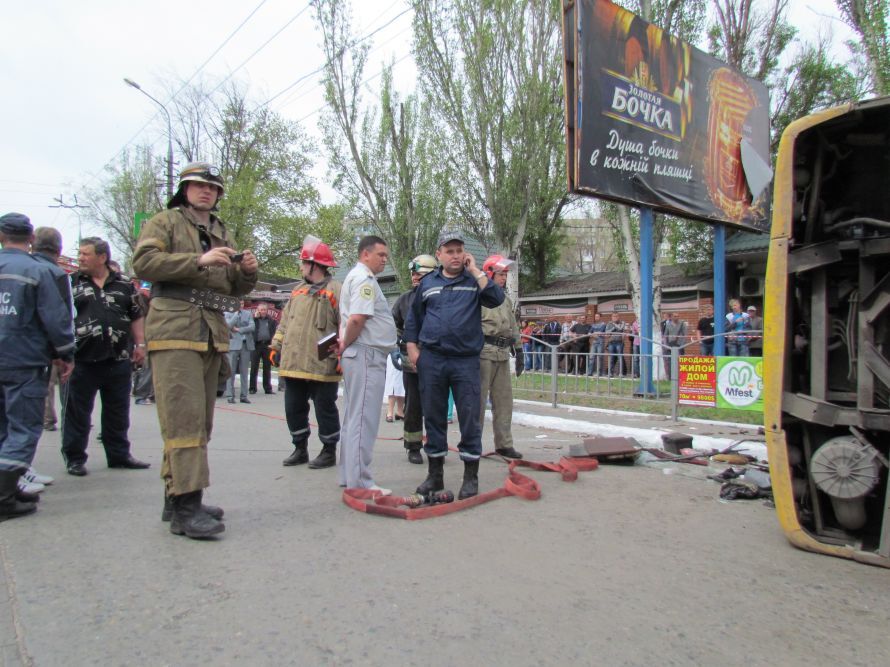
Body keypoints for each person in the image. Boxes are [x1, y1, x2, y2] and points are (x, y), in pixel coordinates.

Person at [132, 161, 258, 539]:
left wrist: (247, 271)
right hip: (174, 327)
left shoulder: (221, 231)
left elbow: (234, 290)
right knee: (183, 419)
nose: (207, 191)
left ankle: (177, 498)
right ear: (184, 189)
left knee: (198, 422)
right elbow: (143, 262)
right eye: (199, 185)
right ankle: (187, 506)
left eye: (213, 187)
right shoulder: (165, 222)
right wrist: (197, 260)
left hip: (210, 329)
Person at [404, 229, 505, 500]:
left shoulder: (473, 281)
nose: (456, 255)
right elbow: (414, 319)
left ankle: (470, 477)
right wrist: (413, 349)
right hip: (433, 360)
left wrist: (477, 271)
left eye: (459, 250)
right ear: (439, 255)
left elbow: (497, 299)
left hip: (465, 361)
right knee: (434, 418)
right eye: (450, 251)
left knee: (470, 419)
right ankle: (434, 476)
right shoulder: (427, 284)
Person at [0, 213, 75, 521]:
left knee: (2, 427)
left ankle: (9, 488)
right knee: (23, 427)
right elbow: (55, 319)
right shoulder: (37, 271)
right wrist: (65, 353)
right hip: (25, 360)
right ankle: (4, 495)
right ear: (30, 239)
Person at [62, 236, 150, 477]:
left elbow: (136, 314)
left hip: (118, 358)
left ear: (102, 257)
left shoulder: (123, 284)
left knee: (117, 411)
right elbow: (60, 318)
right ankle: (75, 458)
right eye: (79, 254)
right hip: (81, 359)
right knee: (77, 412)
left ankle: (119, 455)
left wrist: (140, 344)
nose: (80, 258)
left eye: (85, 254)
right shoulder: (70, 283)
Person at [270, 235, 341, 469]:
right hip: (294, 362)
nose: (300, 267)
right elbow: (284, 322)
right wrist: (276, 345)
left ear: (313, 264)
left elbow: (346, 325)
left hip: (322, 363)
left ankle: (328, 451)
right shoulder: (298, 291)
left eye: (302, 262)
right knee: (293, 407)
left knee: (325, 408)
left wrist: (342, 354)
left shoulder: (336, 291)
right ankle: (300, 449)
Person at [337, 235, 397, 494]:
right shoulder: (364, 280)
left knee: (353, 417)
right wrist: (344, 343)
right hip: (365, 353)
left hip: (361, 352)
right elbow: (358, 319)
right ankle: (360, 482)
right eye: (380, 255)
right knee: (363, 418)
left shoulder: (357, 277)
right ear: (365, 254)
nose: (385, 259)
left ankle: (349, 475)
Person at [392, 254, 437, 464]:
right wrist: (395, 347)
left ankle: (436, 446)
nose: (414, 277)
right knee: (413, 406)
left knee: (435, 407)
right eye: (413, 274)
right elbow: (393, 326)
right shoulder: (404, 300)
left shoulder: (439, 297)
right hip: (412, 364)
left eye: (418, 274)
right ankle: (413, 446)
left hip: (437, 361)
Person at [479, 254, 522, 458]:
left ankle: (504, 444)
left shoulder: (505, 299)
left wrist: (519, 349)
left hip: (503, 355)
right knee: (477, 403)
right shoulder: (476, 295)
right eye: (500, 274)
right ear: (489, 273)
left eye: (505, 274)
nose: (504, 278)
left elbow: (512, 325)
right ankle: (472, 444)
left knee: (504, 402)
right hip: (482, 354)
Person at [32, 226, 72, 431]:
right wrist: (65, 353)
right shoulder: (56, 274)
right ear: (59, 249)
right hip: (39, 351)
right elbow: (60, 317)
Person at [224, 301, 254, 404]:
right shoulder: (227, 313)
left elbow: (252, 327)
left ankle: (244, 396)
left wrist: (239, 329)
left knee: (244, 372)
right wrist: (236, 314)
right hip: (233, 345)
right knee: (231, 372)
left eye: (241, 304)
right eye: (238, 304)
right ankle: (230, 395)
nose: (240, 306)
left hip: (246, 345)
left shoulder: (248, 313)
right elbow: (228, 325)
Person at [249, 303, 277, 395]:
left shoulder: (271, 320)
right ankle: (252, 388)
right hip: (256, 345)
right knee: (254, 367)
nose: (263, 311)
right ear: (258, 310)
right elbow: (250, 328)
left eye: (264, 309)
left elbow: (274, 332)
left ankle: (267, 388)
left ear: (267, 310)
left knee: (267, 367)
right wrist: (255, 318)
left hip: (267, 345)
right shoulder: (254, 320)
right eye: (261, 310)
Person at [661, 312, 687, 380]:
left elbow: (685, 335)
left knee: (680, 360)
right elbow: (665, 335)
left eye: (678, 316)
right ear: (672, 317)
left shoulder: (682, 324)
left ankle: (681, 377)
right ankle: (670, 377)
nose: (676, 317)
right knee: (670, 361)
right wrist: (666, 345)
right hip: (670, 345)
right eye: (675, 316)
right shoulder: (668, 324)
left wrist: (682, 344)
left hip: (679, 345)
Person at [384, 353, 405, 421]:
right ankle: (390, 412)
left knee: (403, 385)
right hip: (394, 353)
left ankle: (400, 412)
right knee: (393, 384)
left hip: (405, 353)